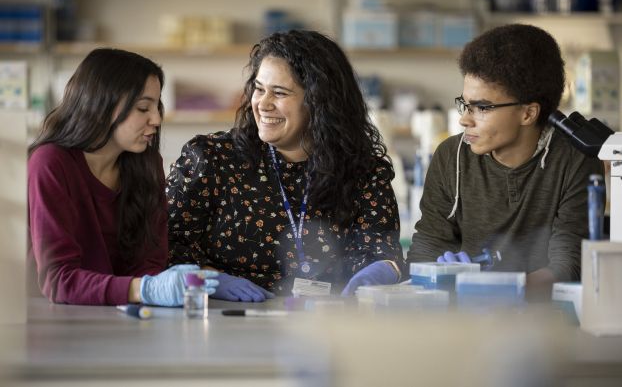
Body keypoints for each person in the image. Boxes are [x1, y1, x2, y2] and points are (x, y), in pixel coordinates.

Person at [167, 30, 405, 302]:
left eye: (279, 92)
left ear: (319, 102)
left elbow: (381, 252)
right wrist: (209, 278)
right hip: (225, 319)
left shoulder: (363, 172)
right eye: (259, 89)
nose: (263, 103)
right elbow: (164, 243)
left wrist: (379, 271)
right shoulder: (212, 158)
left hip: (328, 325)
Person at [407, 24, 604, 298]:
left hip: (543, 319)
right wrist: (435, 272)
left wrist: (500, 289)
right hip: (462, 316)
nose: (465, 119)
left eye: (482, 107)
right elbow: (426, 246)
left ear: (528, 113)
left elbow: (567, 264)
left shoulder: (575, 159)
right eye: (465, 104)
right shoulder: (450, 157)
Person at [28, 48, 218, 306]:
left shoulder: (147, 164)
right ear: (100, 105)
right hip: (55, 319)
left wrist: (165, 284)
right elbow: (59, 280)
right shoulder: (50, 163)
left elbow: (149, 263)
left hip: (124, 314)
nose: (157, 119)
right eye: (143, 108)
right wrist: (145, 289)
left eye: (157, 106)